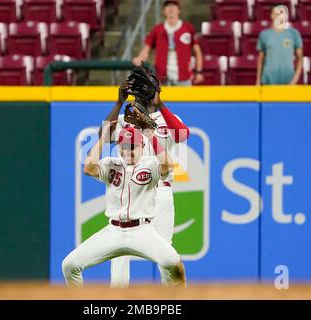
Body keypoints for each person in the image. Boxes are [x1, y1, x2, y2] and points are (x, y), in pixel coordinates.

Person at [62, 126, 186, 287]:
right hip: (113, 231)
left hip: (143, 231)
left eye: (132, 147)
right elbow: (88, 168)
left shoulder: (150, 164)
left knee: (173, 263)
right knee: (69, 265)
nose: (128, 151)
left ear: (142, 146)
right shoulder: (110, 164)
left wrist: (151, 136)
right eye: (124, 147)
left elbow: (167, 167)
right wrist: (102, 140)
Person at [99, 77, 189, 288]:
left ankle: (173, 300)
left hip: (160, 191)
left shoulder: (167, 117)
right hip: (131, 190)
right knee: (118, 250)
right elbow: (103, 135)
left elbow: (183, 134)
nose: (142, 91)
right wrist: (119, 102)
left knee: (165, 251)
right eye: (139, 87)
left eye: (147, 88)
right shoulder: (125, 118)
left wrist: (160, 104)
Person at [132, 0, 204, 86]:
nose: (171, 8)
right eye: (168, 6)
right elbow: (147, 48)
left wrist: (198, 71)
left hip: (184, 77)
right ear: (163, 11)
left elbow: (197, 51)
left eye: (174, 6)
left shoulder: (187, 28)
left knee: (183, 99)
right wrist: (140, 58)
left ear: (179, 10)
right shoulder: (157, 29)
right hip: (162, 78)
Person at [256, 4, 304, 85]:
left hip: (288, 81)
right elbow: (261, 59)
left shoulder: (294, 33)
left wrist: (295, 79)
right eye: (276, 13)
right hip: (268, 81)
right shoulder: (264, 34)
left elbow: (300, 58)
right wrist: (258, 81)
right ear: (271, 15)